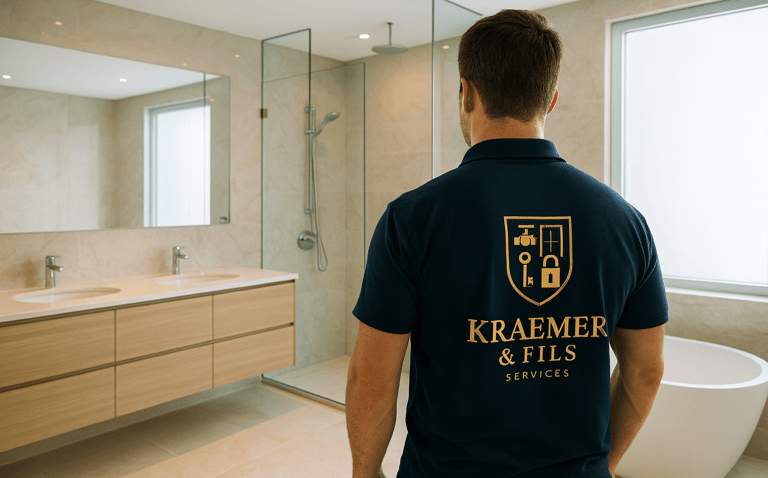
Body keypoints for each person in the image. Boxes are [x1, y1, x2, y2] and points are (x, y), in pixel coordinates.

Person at [346, 9, 667, 478]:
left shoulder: (413, 218)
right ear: (551, 99)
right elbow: (646, 371)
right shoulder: (625, 222)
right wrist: (600, 464)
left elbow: (372, 381)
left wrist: (364, 472)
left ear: (466, 93)